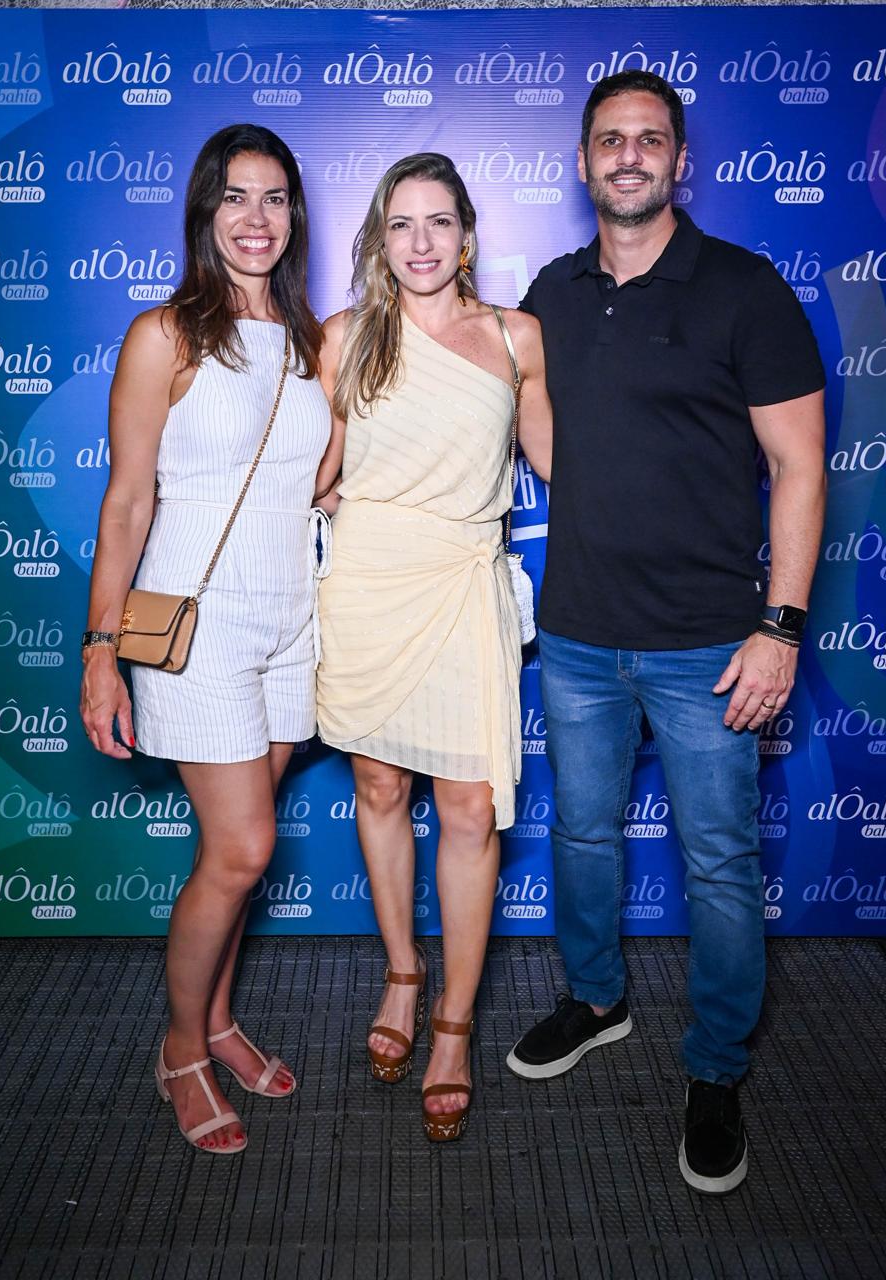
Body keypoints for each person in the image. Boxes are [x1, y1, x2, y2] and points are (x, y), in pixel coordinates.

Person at [506, 71, 827, 1195]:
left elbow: (797, 468)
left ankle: (717, 1068)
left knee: (723, 869)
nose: (630, 156)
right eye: (610, 139)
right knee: (584, 838)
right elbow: (544, 447)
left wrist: (779, 626)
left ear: (682, 160)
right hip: (580, 636)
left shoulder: (746, 289)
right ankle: (596, 998)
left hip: (709, 644)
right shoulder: (549, 291)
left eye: (651, 140)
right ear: (583, 160)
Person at [79, 124, 329, 1154]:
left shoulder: (315, 341)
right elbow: (129, 500)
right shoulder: (164, 335)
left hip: (294, 619)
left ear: (293, 216)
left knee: (231, 855)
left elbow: (314, 482)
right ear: (205, 212)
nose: (256, 217)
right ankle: (182, 1044)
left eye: (274, 198)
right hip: (199, 626)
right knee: (242, 848)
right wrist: (101, 646)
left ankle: (221, 1017)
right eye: (236, 197)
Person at [313, 153, 551, 1141]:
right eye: (401, 223)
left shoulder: (515, 335)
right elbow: (314, 471)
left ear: (466, 236)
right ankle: (403, 972)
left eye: (438, 222)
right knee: (378, 788)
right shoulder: (342, 339)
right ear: (379, 237)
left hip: (464, 584)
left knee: (466, 806)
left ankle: (453, 1019)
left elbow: (562, 463)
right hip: (367, 582)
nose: (420, 241)